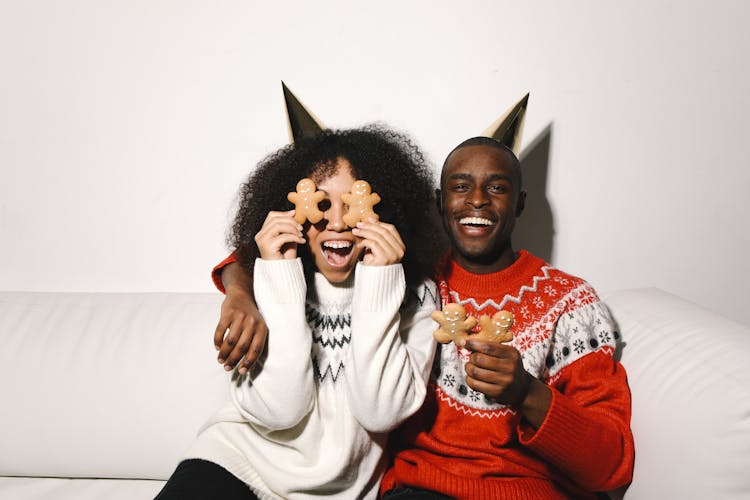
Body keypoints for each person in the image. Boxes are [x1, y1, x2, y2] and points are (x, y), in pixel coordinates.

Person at [156, 125, 442, 499]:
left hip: (344, 488)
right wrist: (277, 274)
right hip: (238, 460)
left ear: (382, 209)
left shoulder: (417, 296)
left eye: (353, 204)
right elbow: (280, 411)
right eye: (321, 204)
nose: (337, 222)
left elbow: (380, 412)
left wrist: (380, 279)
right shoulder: (273, 274)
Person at [378, 136, 634, 498]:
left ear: (520, 204)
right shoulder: (408, 288)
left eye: (496, 187)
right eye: (461, 186)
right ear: (440, 202)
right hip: (421, 489)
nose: (478, 199)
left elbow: (610, 466)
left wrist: (527, 393)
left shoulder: (571, 303)